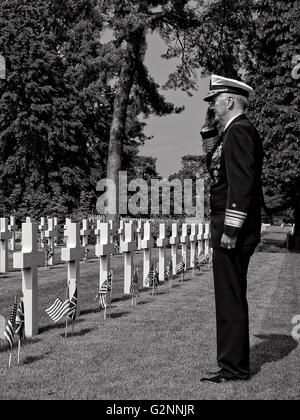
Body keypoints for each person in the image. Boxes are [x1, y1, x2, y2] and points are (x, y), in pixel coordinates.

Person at [200, 75, 264, 384]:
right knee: (231, 295)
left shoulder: (239, 132)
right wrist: (211, 136)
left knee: (231, 297)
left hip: (232, 230)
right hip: (229, 227)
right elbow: (220, 173)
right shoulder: (234, 132)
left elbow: (241, 184)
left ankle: (234, 368)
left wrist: (231, 229)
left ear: (229, 101)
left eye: (214, 100)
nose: (212, 106)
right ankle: (232, 364)